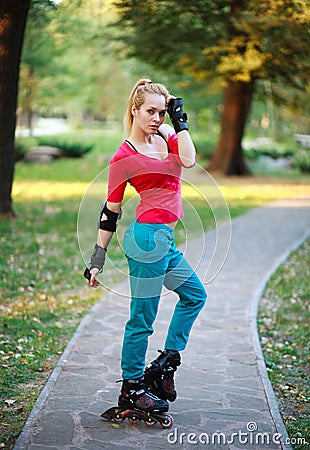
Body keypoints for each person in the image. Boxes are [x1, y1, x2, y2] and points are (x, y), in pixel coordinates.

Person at [84, 79, 207, 414]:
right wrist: (97, 258)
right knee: (142, 317)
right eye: (150, 111)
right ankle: (131, 388)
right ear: (134, 110)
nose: (156, 117)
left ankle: (165, 364)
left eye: (161, 111)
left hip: (163, 240)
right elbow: (111, 211)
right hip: (145, 240)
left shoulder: (168, 136)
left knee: (195, 295)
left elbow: (190, 160)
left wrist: (179, 120)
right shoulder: (123, 156)